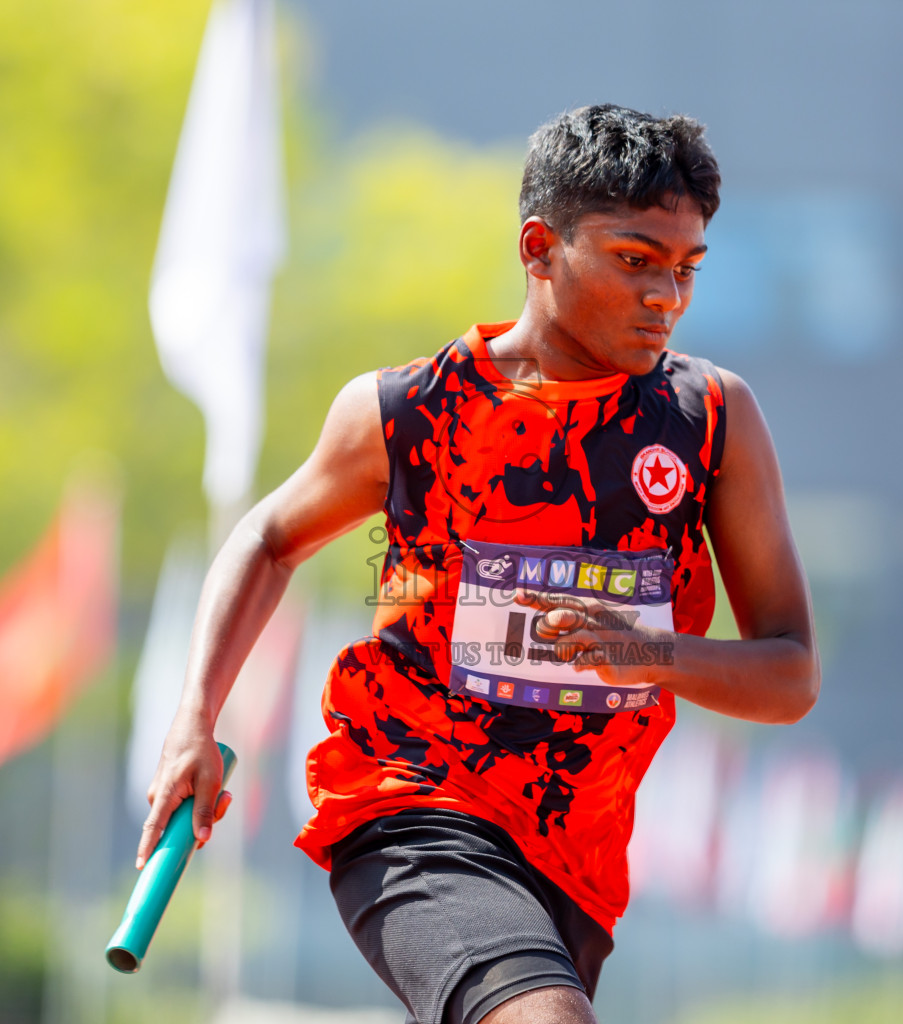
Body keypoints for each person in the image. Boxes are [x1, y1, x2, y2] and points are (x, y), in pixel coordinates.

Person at [138, 104, 821, 1024]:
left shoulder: (711, 421)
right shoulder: (408, 410)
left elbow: (789, 673)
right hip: (409, 804)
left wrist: (647, 654)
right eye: (634, 261)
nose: (667, 294)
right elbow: (268, 539)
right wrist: (194, 719)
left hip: (574, 860)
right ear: (540, 247)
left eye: (687, 268)